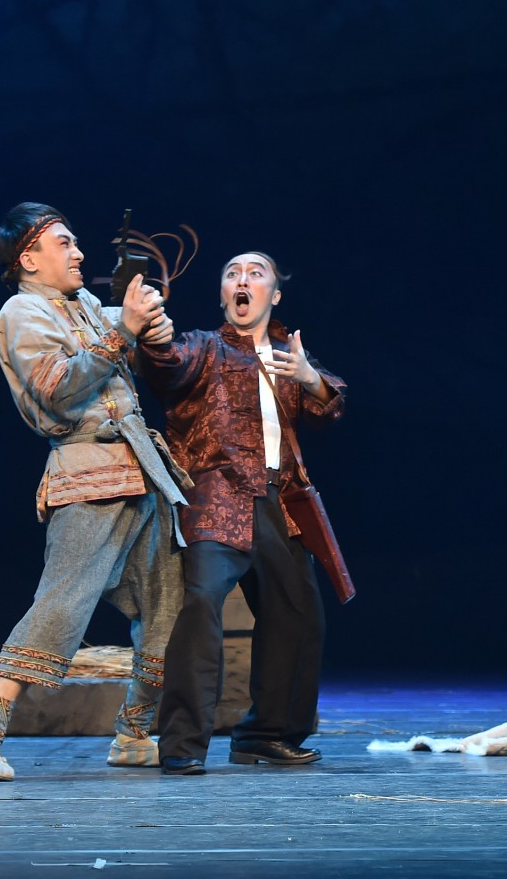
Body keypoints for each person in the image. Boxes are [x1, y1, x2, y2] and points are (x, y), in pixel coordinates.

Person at [0, 203, 191, 781]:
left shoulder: (84, 303)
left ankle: (134, 733)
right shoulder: (21, 312)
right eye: (64, 243)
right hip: (88, 474)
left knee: (166, 607)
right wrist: (126, 331)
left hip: (142, 471)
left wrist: (151, 328)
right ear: (28, 259)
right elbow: (60, 389)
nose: (79, 253)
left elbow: (129, 336)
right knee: (61, 604)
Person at [138, 251, 347, 775]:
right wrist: (151, 330)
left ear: (274, 294)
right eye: (232, 274)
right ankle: (182, 743)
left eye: (256, 274)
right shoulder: (204, 347)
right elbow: (166, 363)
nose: (242, 280)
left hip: (279, 503)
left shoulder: (288, 356)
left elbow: (331, 405)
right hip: (218, 496)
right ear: (223, 294)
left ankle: (265, 735)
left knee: (298, 614)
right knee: (202, 601)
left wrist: (308, 377)